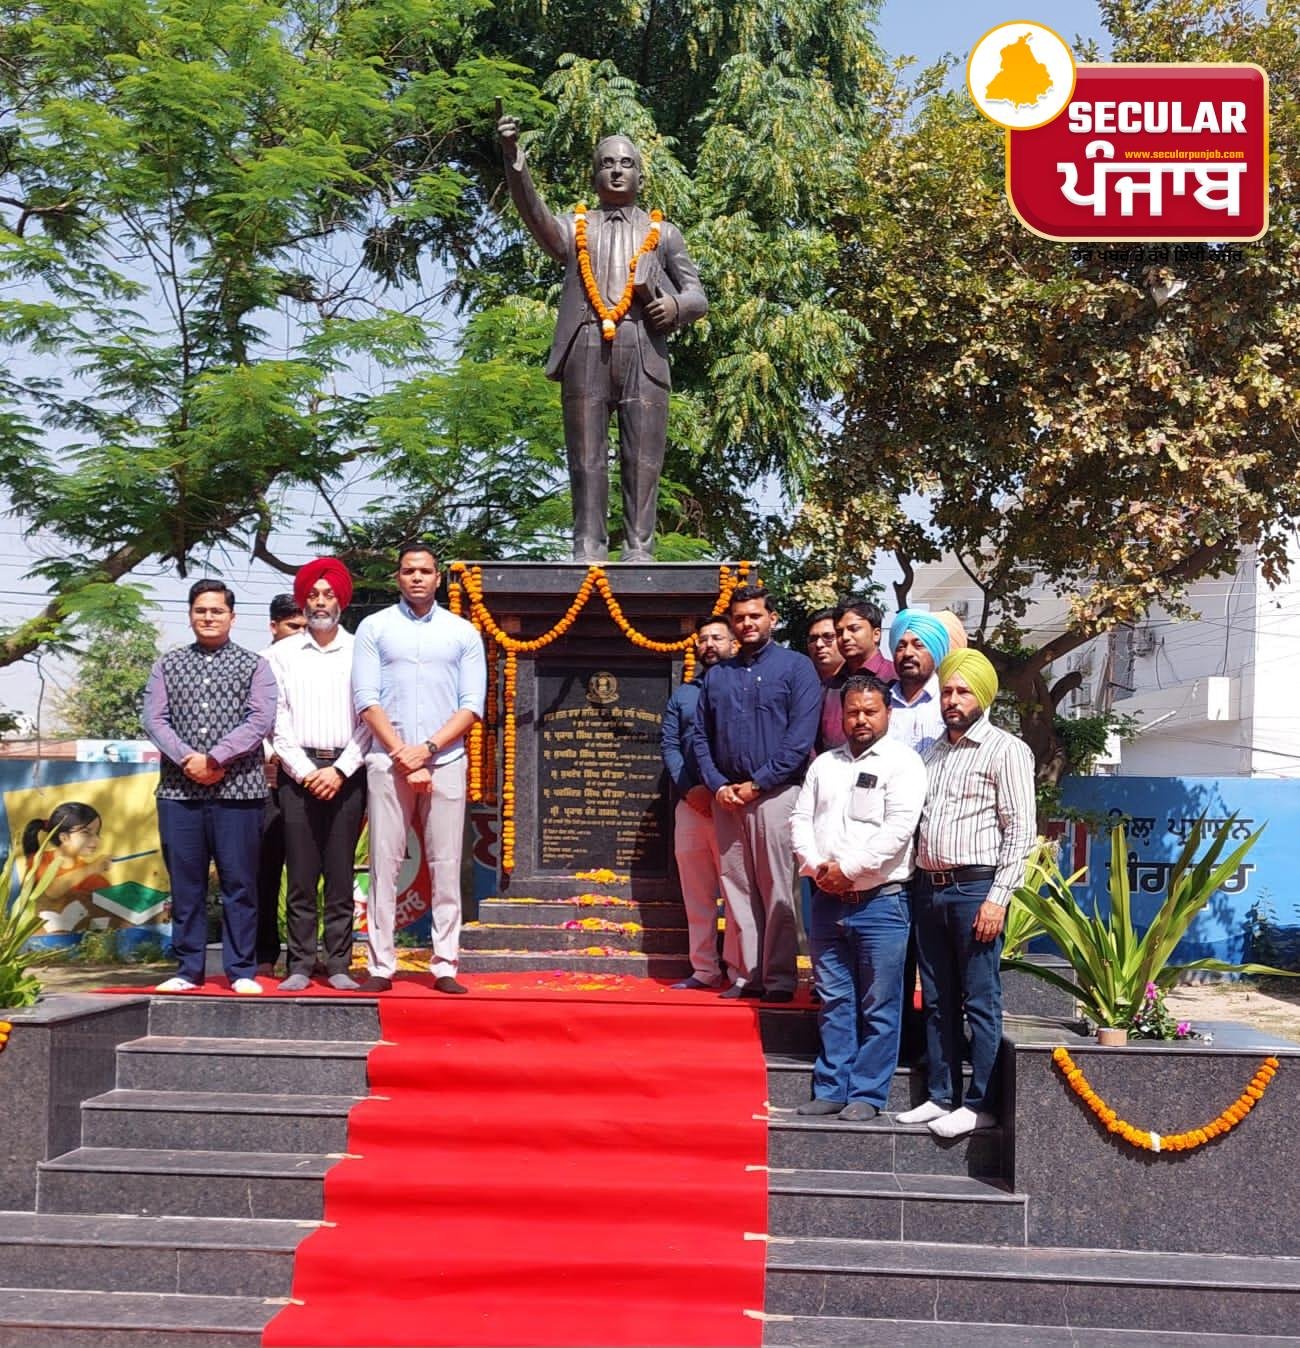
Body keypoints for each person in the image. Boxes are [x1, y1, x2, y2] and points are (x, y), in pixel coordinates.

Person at [497, 116, 708, 562]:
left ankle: (639, 547)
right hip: (586, 344)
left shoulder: (664, 233)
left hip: (643, 348)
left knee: (643, 457)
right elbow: (535, 216)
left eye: (626, 164)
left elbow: (697, 296)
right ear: (594, 175)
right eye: (607, 163)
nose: (616, 170)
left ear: (640, 177)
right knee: (586, 455)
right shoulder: (577, 227)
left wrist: (674, 307)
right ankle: (587, 545)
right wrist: (515, 160)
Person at [900, 648, 1036, 1139]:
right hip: (929, 888)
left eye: (963, 692)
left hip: (976, 889)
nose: (952, 700)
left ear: (984, 697)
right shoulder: (931, 752)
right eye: (947, 691)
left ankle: (980, 1104)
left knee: (979, 999)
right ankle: (941, 1095)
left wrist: (998, 898)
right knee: (937, 999)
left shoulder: (1006, 750)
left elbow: (1020, 831)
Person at [352, 543, 486, 994]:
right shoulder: (374, 627)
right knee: (383, 864)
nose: (416, 577)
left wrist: (427, 749)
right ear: (398, 577)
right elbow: (366, 700)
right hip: (387, 760)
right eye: (408, 570)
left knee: (446, 864)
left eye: (425, 571)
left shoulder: (462, 632)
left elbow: (472, 706)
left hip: (445, 760)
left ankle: (445, 964)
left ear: (438, 578)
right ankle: (380, 966)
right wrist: (402, 754)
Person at [791, 674, 926, 1119]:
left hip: (882, 903)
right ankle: (831, 1087)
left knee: (880, 1005)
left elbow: (898, 831)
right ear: (842, 715)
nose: (861, 719)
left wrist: (847, 871)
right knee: (834, 1000)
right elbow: (800, 821)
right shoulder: (824, 765)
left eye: (870, 711)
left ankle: (867, 1094)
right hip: (827, 901)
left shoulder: (904, 764)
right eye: (853, 712)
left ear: (888, 713)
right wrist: (818, 868)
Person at [142, 579, 278, 994]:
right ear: (190, 616)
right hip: (179, 793)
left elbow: (260, 719)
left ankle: (241, 970)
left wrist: (216, 758)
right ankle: (188, 969)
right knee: (187, 885)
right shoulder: (167, 665)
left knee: (240, 884)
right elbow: (154, 719)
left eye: (217, 611)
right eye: (200, 610)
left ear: (232, 617)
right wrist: (189, 759)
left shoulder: (255, 666)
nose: (208, 617)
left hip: (240, 793)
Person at [693, 585, 822, 1001]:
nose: (747, 623)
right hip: (728, 796)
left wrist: (758, 783)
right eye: (740, 618)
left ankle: (780, 979)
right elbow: (700, 737)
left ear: (772, 619)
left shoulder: (796, 668)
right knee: (737, 889)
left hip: (776, 794)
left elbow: (799, 739)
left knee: (778, 890)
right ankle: (747, 974)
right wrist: (717, 784)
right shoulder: (717, 675)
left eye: (755, 616)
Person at [270, 559, 370, 992]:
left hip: (349, 771)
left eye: (328, 595)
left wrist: (340, 770)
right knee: (301, 874)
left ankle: (340, 963)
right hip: (298, 774)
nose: (320, 602)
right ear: (303, 601)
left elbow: (371, 718)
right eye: (312, 595)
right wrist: (308, 772)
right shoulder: (280, 655)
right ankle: (300, 963)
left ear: (341, 601)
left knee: (341, 874)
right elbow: (276, 723)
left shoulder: (363, 651)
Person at [661, 615, 738, 990]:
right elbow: (671, 746)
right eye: (704, 639)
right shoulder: (684, 695)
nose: (709, 645)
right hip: (691, 805)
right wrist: (690, 790)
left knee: (737, 894)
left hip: (734, 803)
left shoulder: (744, 688)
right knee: (697, 894)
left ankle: (740, 971)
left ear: (733, 644)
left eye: (717, 638)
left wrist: (723, 789)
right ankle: (704, 968)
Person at [255, 593, 307, 976]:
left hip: (309, 778)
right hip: (266, 779)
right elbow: (251, 721)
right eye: (292, 626)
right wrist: (270, 756)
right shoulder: (257, 664)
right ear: (273, 626)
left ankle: (305, 956)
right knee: (264, 871)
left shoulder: (320, 663)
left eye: (305, 626)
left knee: (307, 873)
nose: (300, 633)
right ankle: (263, 954)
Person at [820, 598, 896, 752]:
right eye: (839, 632)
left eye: (854, 629)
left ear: (876, 634)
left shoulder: (896, 679)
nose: (845, 637)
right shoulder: (829, 686)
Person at [22, 803, 109, 933]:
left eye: (97, 834)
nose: (96, 840)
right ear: (64, 837)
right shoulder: (39, 862)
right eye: (86, 833)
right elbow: (50, 892)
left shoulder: (92, 877)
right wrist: (91, 869)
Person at [886, 609, 952, 755]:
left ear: (936, 651)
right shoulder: (881, 702)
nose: (907, 653)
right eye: (900, 647)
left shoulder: (950, 701)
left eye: (919, 645)